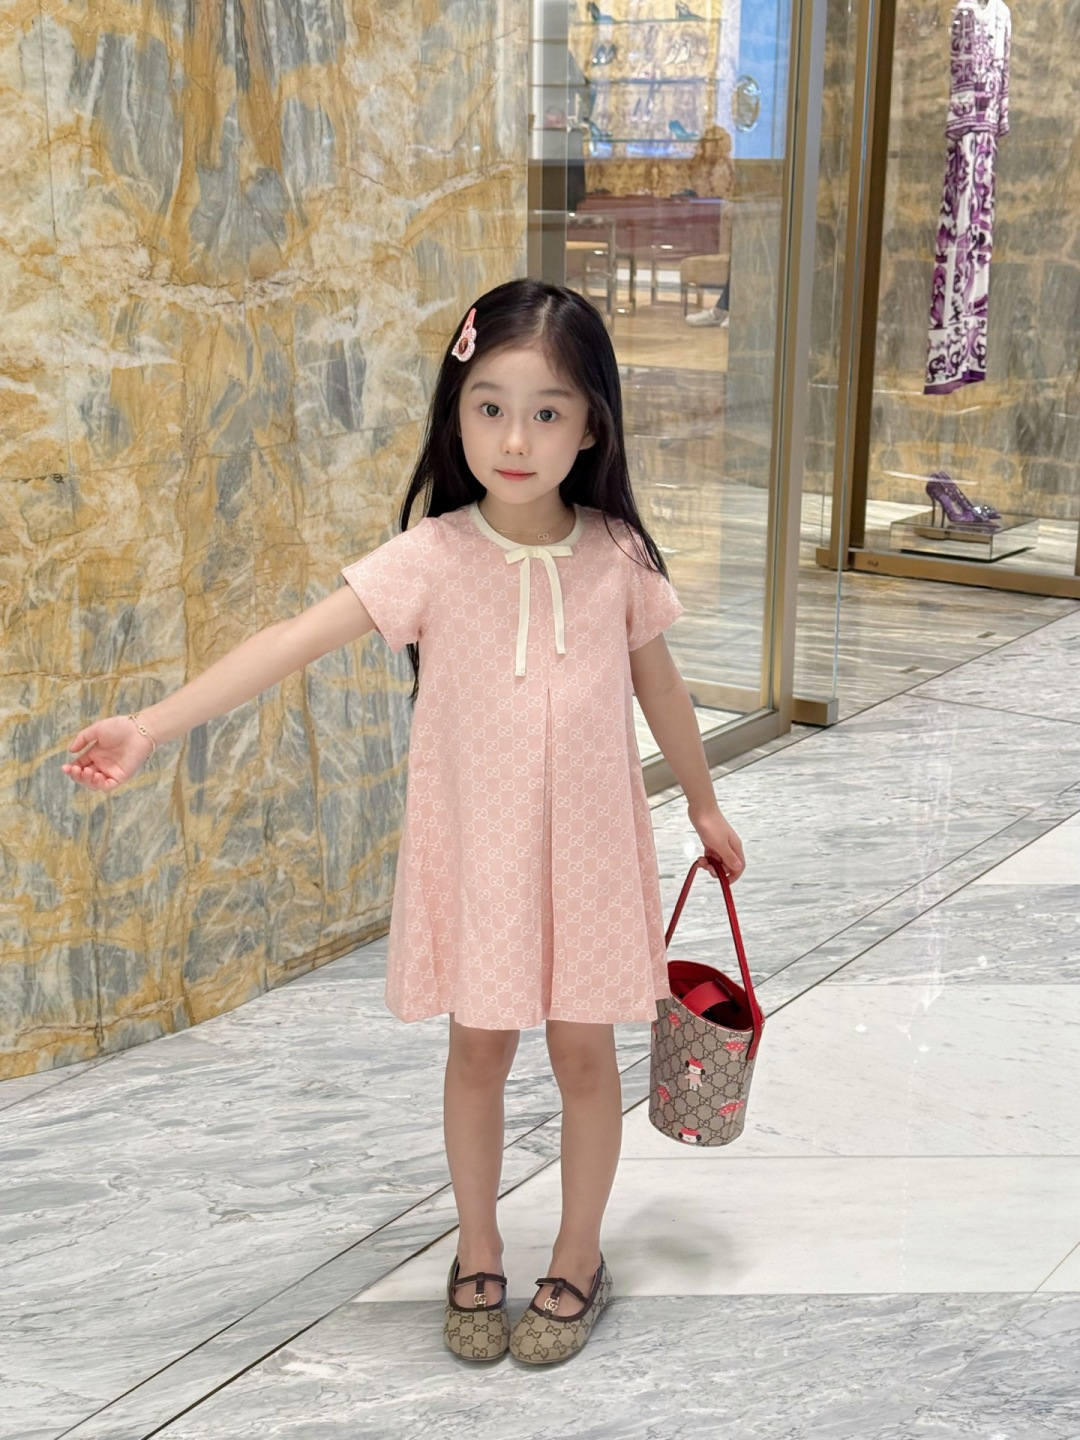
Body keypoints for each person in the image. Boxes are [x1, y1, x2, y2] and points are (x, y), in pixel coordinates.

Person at [60, 278, 745, 1367]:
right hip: (484, 863)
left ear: (591, 426)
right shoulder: (432, 556)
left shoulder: (616, 555)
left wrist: (703, 800)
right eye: (490, 407)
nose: (515, 439)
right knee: (478, 1050)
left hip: (590, 860)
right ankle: (477, 1245)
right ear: (454, 413)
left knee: (583, 1057)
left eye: (548, 412)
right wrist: (149, 725)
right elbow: (288, 641)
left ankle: (578, 1257)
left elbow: (658, 684)